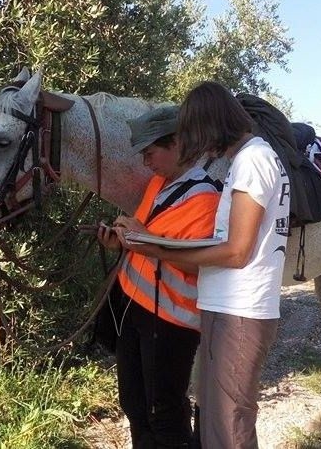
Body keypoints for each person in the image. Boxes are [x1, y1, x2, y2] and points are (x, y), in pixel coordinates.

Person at [118, 82, 291, 449]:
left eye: (194, 133)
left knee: (229, 424)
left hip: (240, 309)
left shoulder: (253, 161)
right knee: (215, 422)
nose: (194, 145)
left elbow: (236, 252)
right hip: (227, 307)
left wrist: (158, 249)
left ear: (211, 123)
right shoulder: (249, 160)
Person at [97, 105, 221, 448]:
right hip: (134, 308)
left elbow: (198, 264)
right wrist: (119, 241)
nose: (145, 162)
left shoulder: (206, 198)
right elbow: (144, 241)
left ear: (178, 144)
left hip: (171, 323)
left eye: (150, 153)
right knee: (135, 406)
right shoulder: (159, 184)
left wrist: (142, 236)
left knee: (163, 413)